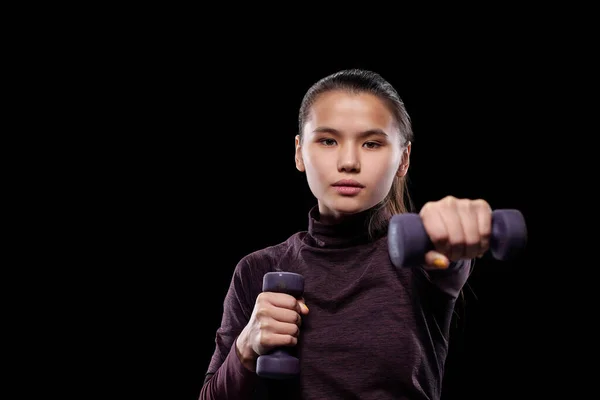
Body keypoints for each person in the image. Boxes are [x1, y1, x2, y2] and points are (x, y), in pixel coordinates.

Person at [199, 68, 493, 400]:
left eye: (371, 143)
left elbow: (449, 255)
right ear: (299, 152)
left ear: (404, 159)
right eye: (328, 140)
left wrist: (456, 225)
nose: (349, 162)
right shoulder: (256, 269)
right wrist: (246, 348)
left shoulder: (422, 257)